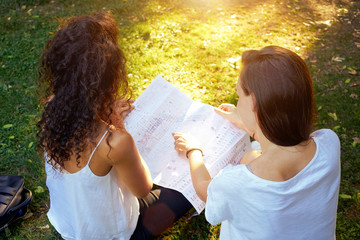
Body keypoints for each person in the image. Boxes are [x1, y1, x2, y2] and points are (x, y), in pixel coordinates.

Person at [37, 12, 192, 240]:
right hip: (114, 234)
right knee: (185, 186)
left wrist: (103, 113)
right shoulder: (115, 142)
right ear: (107, 80)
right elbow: (142, 190)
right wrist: (118, 126)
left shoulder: (51, 108)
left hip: (70, 226)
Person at [173, 46, 341, 240]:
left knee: (250, 156)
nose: (237, 102)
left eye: (239, 96)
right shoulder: (329, 143)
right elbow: (284, 142)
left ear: (253, 104)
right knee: (251, 155)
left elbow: (205, 189)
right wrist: (249, 123)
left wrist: (193, 150)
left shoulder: (237, 182)